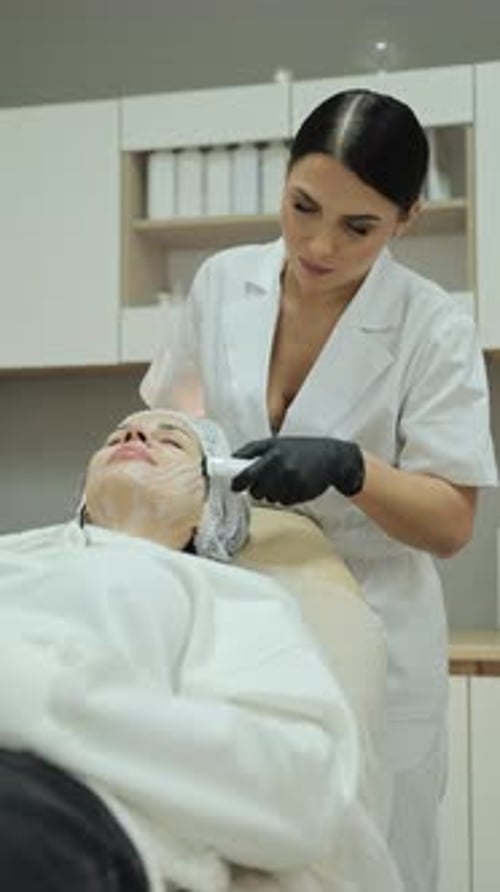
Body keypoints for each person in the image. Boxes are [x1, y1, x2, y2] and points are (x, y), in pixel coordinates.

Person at [141, 89, 499, 892]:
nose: (319, 243)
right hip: (240, 619)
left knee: (378, 863)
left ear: (406, 218)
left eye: (358, 226)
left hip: (374, 630)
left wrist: (353, 468)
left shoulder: (433, 327)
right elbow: (175, 422)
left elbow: (451, 521)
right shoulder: (223, 282)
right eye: (303, 206)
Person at [0, 408, 400, 892]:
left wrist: (39, 696)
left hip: (52, 806)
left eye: (171, 441)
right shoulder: (12, 556)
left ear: (211, 507)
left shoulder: (238, 602)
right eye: (116, 436)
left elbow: (298, 791)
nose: (135, 433)